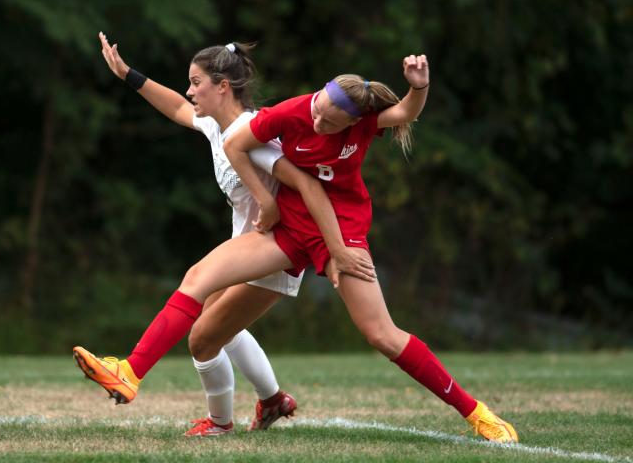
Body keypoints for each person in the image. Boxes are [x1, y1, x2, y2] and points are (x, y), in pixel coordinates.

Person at [74, 54, 519, 443]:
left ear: (353, 122)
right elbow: (235, 145)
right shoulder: (292, 113)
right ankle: (130, 373)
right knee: (198, 280)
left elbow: (401, 114)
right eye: (317, 109)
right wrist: (268, 202)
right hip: (287, 231)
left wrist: (418, 87)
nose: (317, 120)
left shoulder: (361, 122)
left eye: (328, 121)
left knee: (381, 335)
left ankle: (477, 413)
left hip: (340, 231)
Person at [75, 33, 375, 436]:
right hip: (248, 247)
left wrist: (321, 240)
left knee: (202, 339)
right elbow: (178, 108)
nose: (189, 90)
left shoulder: (254, 133)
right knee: (219, 329)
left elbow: (306, 184)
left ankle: (199, 411)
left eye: (196, 81)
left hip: (277, 252)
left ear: (222, 87)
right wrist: (128, 75)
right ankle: (272, 401)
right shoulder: (217, 127)